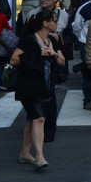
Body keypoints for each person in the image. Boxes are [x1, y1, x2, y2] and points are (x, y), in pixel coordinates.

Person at [10, 9, 65, 170]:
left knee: (32, 119)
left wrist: (54, 54)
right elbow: (14, 60)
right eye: (54, 21)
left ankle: (25, 152)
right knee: (39, 119)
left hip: (46, 87)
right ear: (45, 23)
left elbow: (62, 61)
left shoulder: (52, 40)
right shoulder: (29, 40)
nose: (57, 23)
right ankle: (40, 156)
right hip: (29, 86)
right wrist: (37, 54)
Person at [25, 0, 69, 141]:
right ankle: (33, 130)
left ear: (55, 0)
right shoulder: (32, 14)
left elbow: (69, 38)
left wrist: (59, 40)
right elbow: (24, 37)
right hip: (35, 64)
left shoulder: (63, 16)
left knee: (50, 99)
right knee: (35, 100)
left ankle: (48, 132)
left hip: (53, 64)